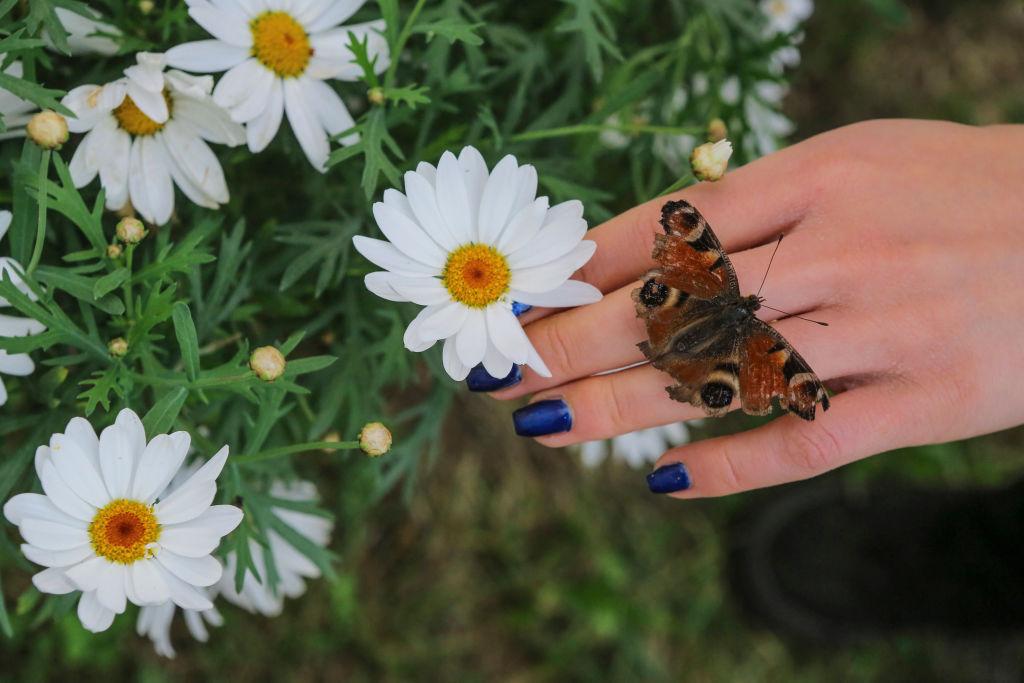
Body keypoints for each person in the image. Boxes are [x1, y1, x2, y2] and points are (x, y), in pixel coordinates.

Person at [472, 119, 1024, 498]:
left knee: (672, 307)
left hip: (697, 318)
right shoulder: (768, 345)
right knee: (704, 349)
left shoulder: (718, 278)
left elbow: (690, 231)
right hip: (713, 350)